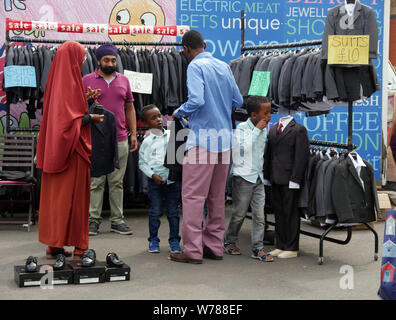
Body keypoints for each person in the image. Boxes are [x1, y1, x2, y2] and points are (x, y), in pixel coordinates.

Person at [170, 30, 243, 264]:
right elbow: (238, 102)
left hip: (203, 141)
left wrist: (178, 112)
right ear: (204, 44)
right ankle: (214, 246)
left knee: (192, 197)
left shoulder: (194, 67)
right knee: (216, 197)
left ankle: (192, 251)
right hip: (224, 141)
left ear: (187, 50)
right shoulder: (223, 66)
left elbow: (197, 100)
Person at [37, 41, 104, 259]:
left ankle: (54, 245)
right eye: (82, 58)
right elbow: (67, 121)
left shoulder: (57, 82)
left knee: (56, 199)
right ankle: (79, 245)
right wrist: (89, 117)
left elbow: (62, 113)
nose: (83, 62)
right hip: (72, 152)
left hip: (56, 152)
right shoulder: (70, 82)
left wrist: (86, 100)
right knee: (75, 199)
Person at [82, 44, 138, 236]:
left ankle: (117, 220)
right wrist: (87, 100)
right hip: (95, 139)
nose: (110, 63)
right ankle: (93, 221)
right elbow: (78, 109)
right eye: (106, 60)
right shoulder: (87, 80)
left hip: (120, 138)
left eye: (113, 60)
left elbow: (130, 108)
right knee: (96, 182)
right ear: (98, 61)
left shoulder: (124, 80)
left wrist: (133, 133)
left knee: (116, 182)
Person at [224, 96, 273, 262]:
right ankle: (230, 241)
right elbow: (243, 149)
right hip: (243, 177)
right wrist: (257, 130)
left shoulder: (264, 128)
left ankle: (258, 249)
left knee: (260, 215)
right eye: (265, 113)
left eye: (270, 112)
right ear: (254, 115)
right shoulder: (242, 129)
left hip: (258, 176)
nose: (269, 116)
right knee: (239, 213)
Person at [139, 104, 182, 254]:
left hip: (172, 181)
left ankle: (175, 241)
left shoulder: (172, 136)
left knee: (173, 212)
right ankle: (153, 240)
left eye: (159, 116)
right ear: (145, 123)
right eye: (153, 118)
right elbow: (142, 163)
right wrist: (152, 175)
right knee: (155, 212)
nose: (158, 119)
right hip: (155, 182)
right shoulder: (146, 142)